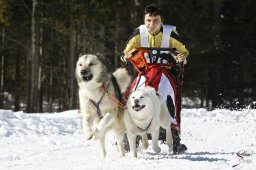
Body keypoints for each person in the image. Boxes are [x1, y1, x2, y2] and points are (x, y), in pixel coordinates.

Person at [121, 3, 189, 154]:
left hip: (166, 72)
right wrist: (127, 55)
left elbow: (183, 52)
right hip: (144, 72)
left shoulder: (170, 34)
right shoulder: (139, 34)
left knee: (164, 94)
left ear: (162, 21)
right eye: (148, 20)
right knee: (136, 93)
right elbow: (126, 53)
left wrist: (181, 57)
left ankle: (171, 127)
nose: (152, 24)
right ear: (144, 20)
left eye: (156, 20)